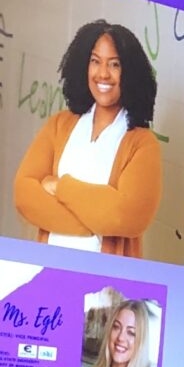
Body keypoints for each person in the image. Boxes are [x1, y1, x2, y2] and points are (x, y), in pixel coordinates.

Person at [14, 21, 162, 254]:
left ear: (130, 72)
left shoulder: (142, 143)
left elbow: (127, 216)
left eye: (114, 64)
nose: (103, 74)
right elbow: (24, 194)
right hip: (46, 271)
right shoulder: (59, 125)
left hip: (103, 283)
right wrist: (92, 220)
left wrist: (61, 187)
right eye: (95, 61)